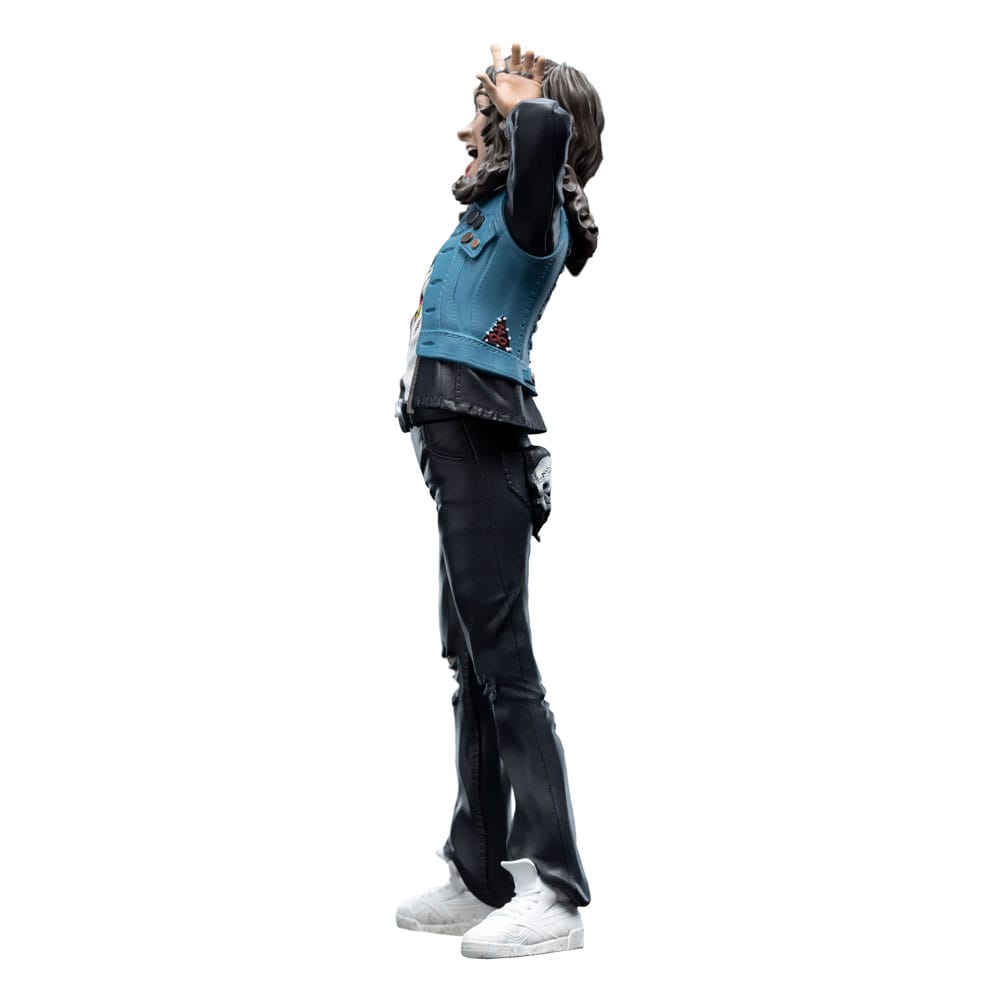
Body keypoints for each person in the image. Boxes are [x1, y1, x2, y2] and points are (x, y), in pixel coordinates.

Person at [394, 43, 604, 959]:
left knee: (507, 669)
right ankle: (481, 870)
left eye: (485, 113)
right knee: (470, 661)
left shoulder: (532, 215)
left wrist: (528, 103)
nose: (464, 131)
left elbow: (548, 131)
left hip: (484, 448)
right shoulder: (490, 214)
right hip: (454, 454)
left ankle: (554, 890)